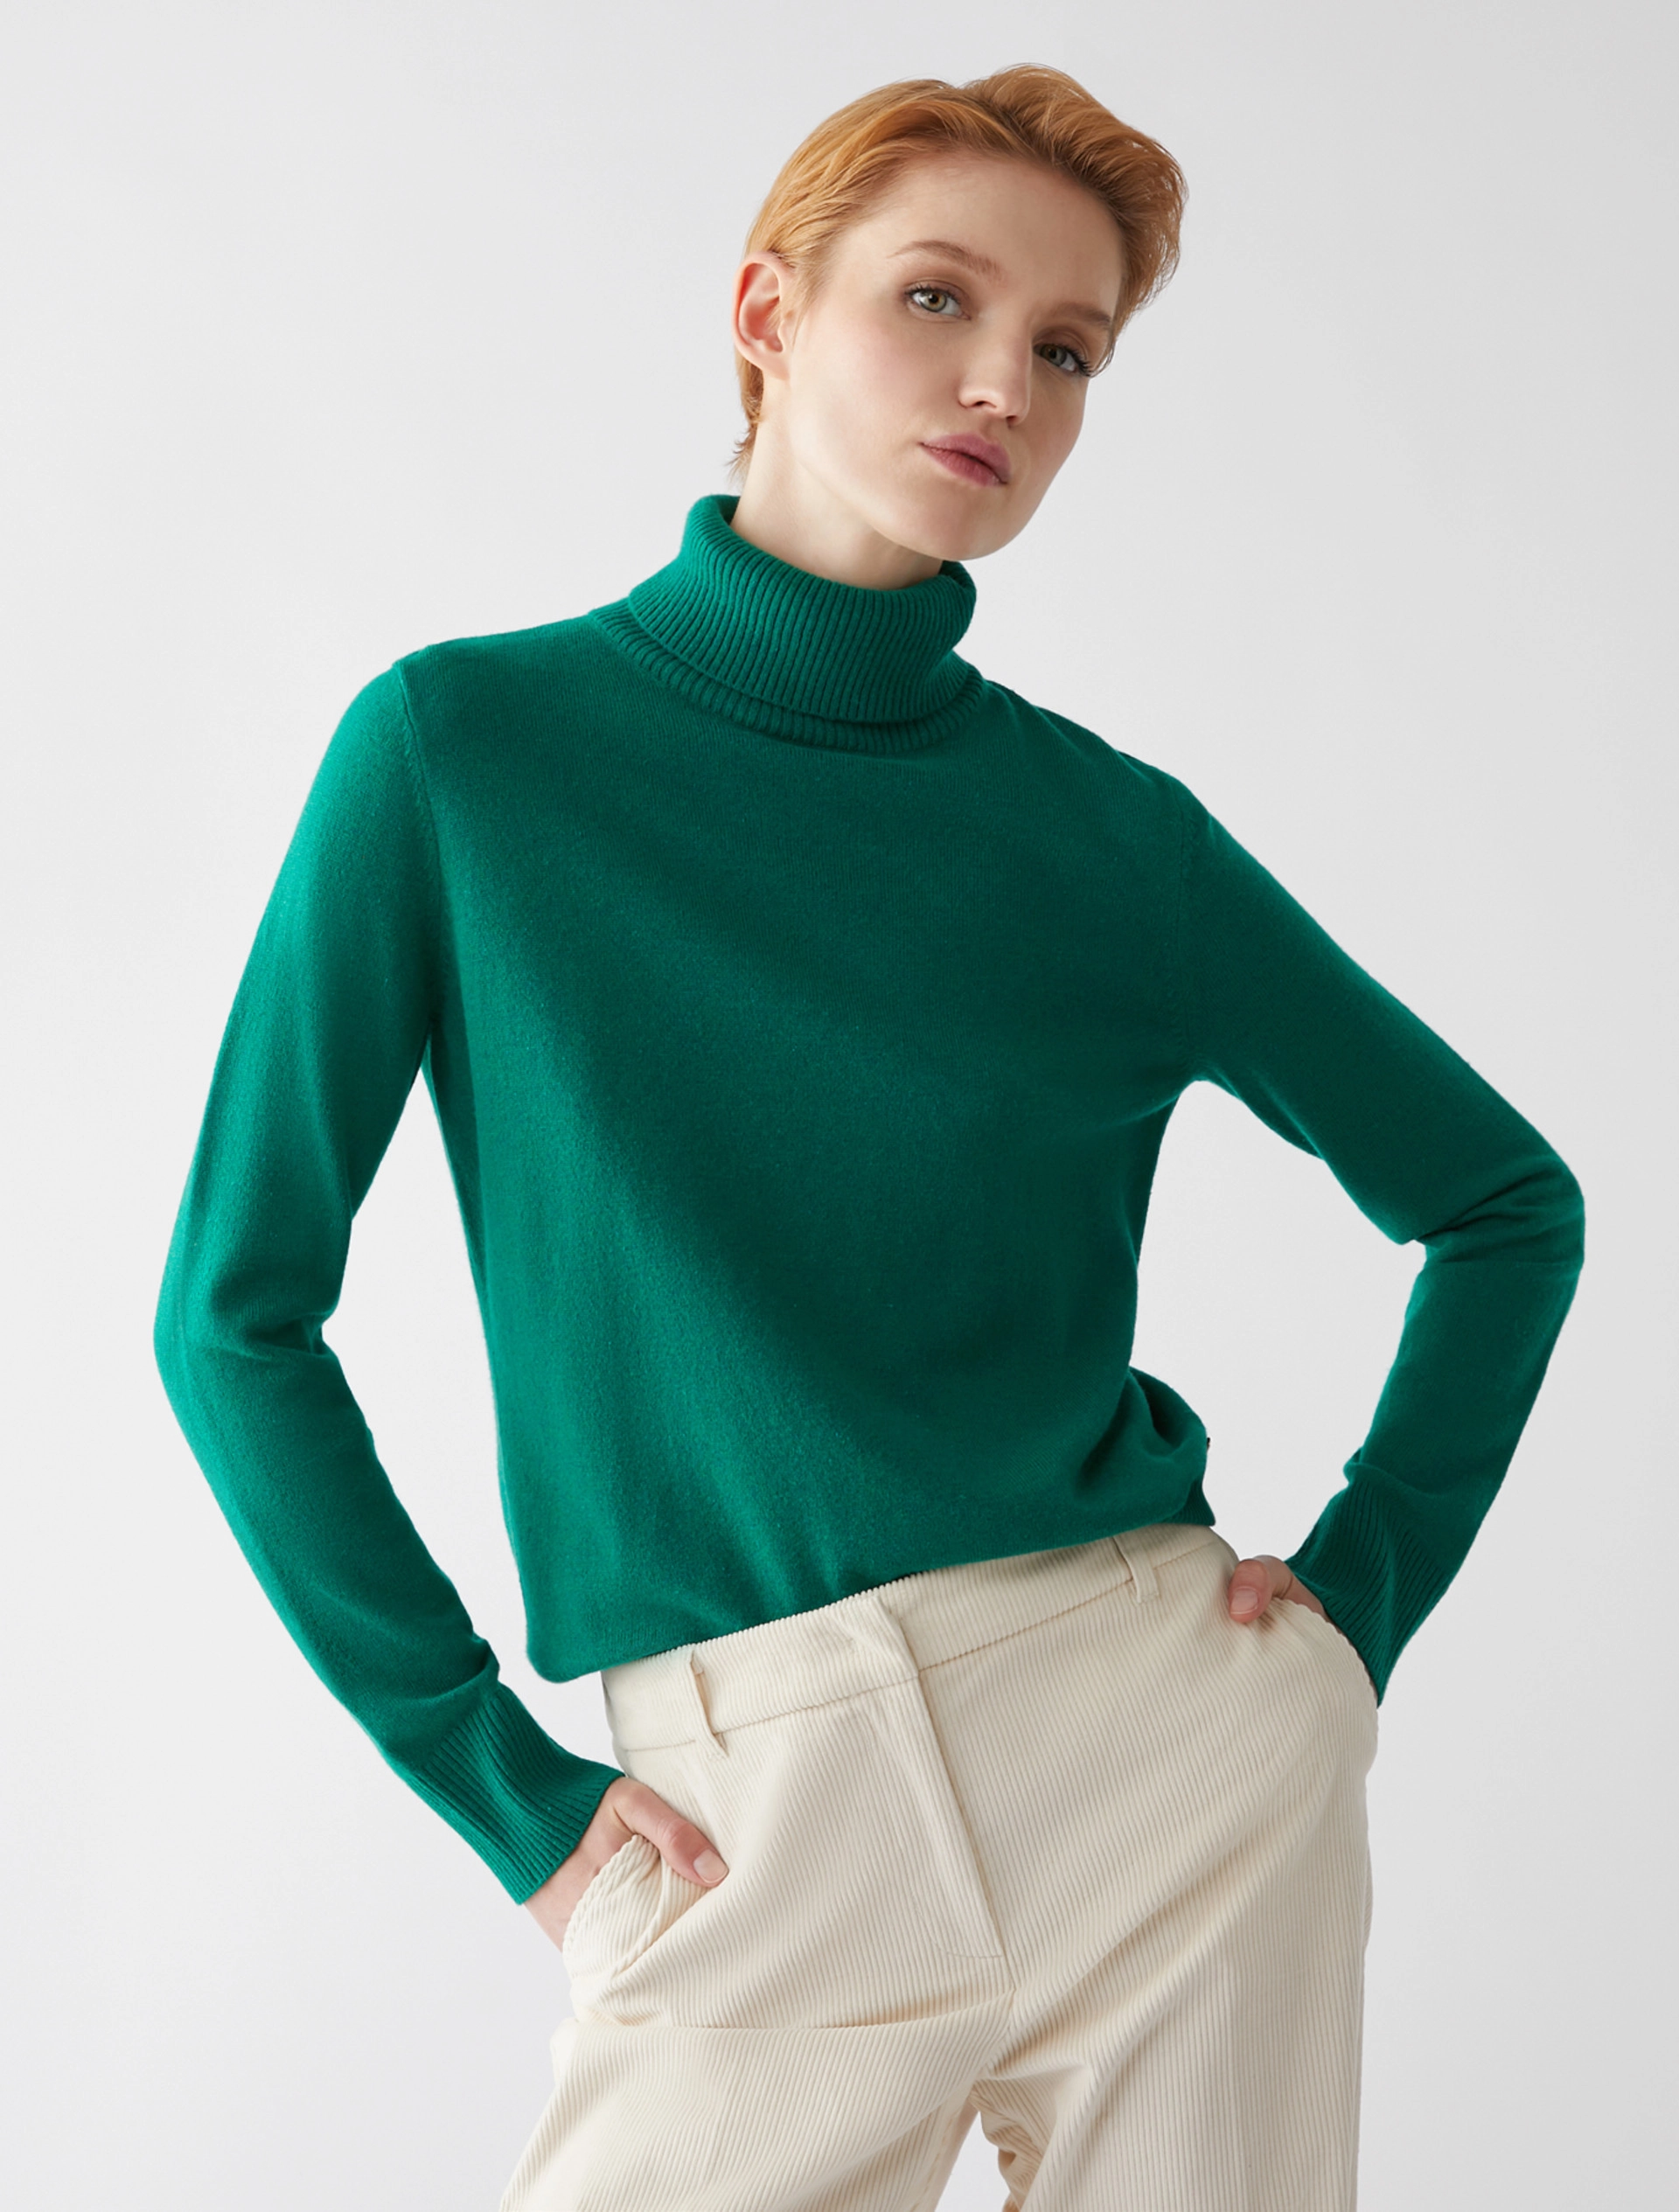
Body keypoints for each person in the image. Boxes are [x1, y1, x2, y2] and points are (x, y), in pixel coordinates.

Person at [153, 63, 1585, 2212]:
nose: (1005, 379)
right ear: (767, 311)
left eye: (1068, 348)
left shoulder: (1115, 840)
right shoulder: (466, 752)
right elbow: (231, 1317)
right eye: (938, 298)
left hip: (1164, 1750)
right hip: (756, 1806)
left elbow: (1503, 1202)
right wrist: (498, 1783)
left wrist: (1361, 1600)